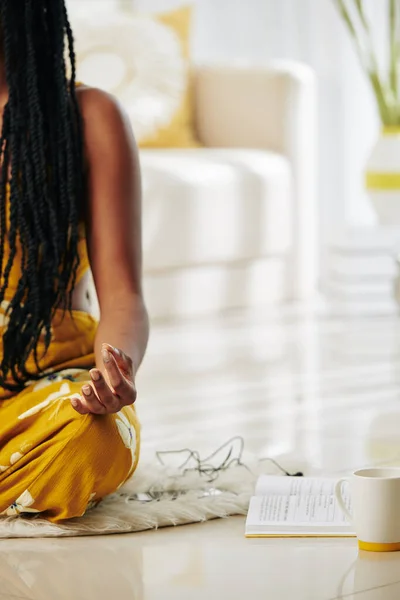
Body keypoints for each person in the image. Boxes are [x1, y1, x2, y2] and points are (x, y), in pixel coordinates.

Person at [0, 0, 149, 522]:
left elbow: (124, 294)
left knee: (95, 437)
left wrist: (111, 377)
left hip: (47, 382)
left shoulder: (89, 117)